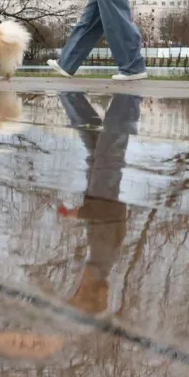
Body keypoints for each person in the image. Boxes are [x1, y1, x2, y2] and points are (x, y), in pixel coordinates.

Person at [56, 91, 141, 314]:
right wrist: (78, 214)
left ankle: (70, 96)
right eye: (78, 294)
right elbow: (109, 215)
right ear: (87, 289)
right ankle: (128, 99)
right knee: (109, 150)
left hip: (99, 190)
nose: (75, 289)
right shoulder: (101, 261)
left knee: (93, 141)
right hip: (104, 192)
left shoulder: (98, 262)